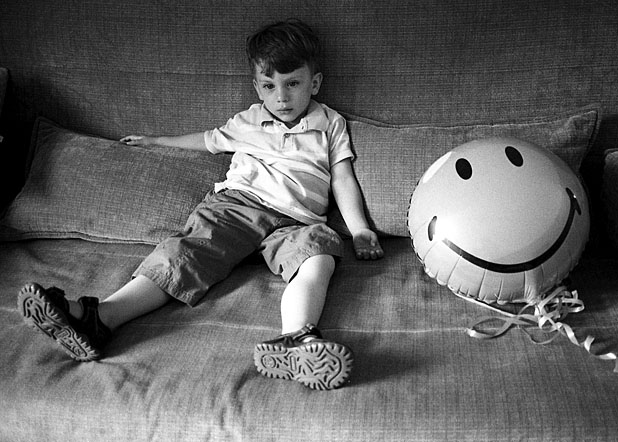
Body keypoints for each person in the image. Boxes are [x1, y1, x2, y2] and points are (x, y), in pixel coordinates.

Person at [17, 19, 383, 391]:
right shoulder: (247, 121)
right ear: (257, 86)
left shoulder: (330, 123)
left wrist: (360, 230)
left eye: (293, 84)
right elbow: (206, 140)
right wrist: (155, 141)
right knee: (183, 253)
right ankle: (98, 317)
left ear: (314, 83)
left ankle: (298, 340)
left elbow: (342, 178)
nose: (282, 98)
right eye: (269, 86)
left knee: (318, 257)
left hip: (297, 222)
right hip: (237, 207)